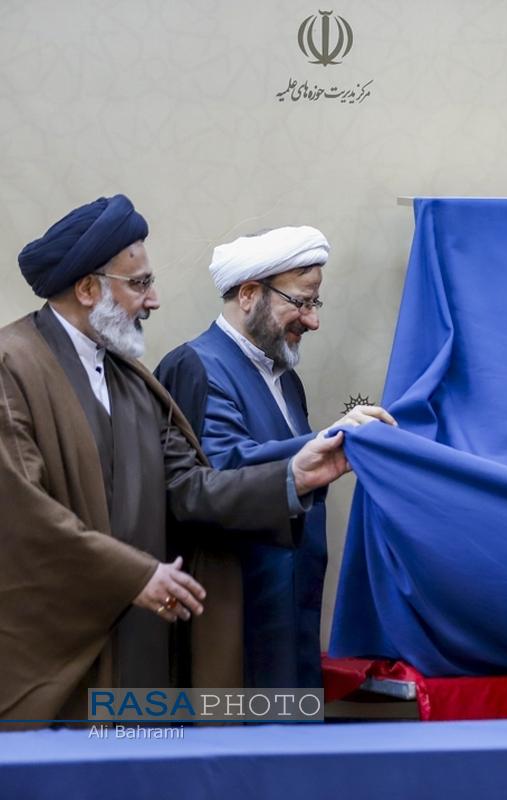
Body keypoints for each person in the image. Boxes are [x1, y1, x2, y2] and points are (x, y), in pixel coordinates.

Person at [0, 195, 387, 726]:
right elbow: (20, 512)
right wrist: (133, 575)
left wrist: (295, 474)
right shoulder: (13, 365)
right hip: (59, 648)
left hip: (140, 637)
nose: (154, 300)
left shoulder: (131, 381)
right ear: (88, 289)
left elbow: (189, 485)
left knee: (134, 760)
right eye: (140, 283)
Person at [156, 226, 394, 688]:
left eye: (315, 303)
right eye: (301, 302)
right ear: (248, 294)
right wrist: (326, 441)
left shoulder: (286, 378)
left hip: (290, 616)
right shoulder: (196, 366)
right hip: (233, 622)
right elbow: (217, 475)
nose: (312, 321)